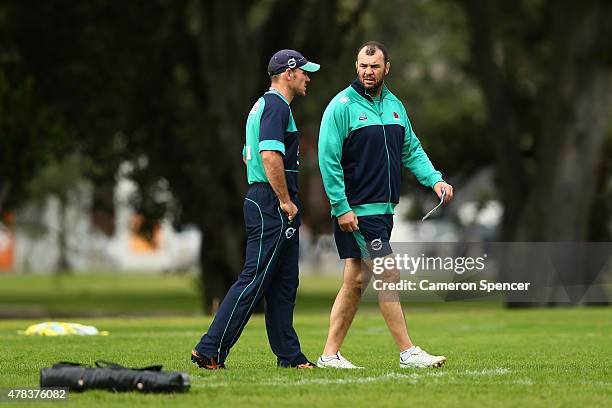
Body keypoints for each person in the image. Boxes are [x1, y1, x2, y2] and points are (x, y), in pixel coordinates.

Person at [317, 41, 454, 369]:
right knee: (388, 272)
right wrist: (341, 206)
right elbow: (328, 159)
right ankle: (408, 352)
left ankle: (329, 354)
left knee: (355, 280)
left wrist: (434, 179)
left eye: (374, 66)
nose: (368, 71)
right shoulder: (342, 106)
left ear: (386, 68)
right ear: (356, 66)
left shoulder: (395, 105)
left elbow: (411, 150)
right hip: (358, 212)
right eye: (363, 66)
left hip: (383, 210)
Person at [191, 49, 320, 369]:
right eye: (304, 71)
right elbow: (269, 156)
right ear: (288, 73)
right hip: (272, 202)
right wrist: (284, 200)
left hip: (268, 199)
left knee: (284, 283)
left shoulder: (265, 106)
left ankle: (290, 357)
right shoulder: (275, 106)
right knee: (254, 278)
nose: (308, 77)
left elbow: (248, 154)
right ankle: (210, 349)